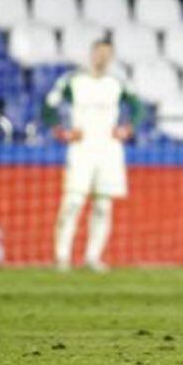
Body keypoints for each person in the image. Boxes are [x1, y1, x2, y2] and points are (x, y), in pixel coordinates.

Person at [44, 39, 144, 273]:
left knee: (102, 205)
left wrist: (127, 129)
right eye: (99, 52)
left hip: (109, 148)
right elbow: (48, 107)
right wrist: (62, 132)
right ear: (91, 54)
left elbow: (139, 108)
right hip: (82, 147)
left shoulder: (117, 82)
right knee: (73, 202)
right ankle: (62, 257)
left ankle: (92, 256)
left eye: (107, 54)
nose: (102, 57)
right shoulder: (73, 80)